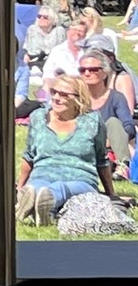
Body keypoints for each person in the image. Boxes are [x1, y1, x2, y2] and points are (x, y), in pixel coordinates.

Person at [19, 74, 112, 225]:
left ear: (78, 98)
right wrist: (20, 188)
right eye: (53, 92)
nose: (56, 98)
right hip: (42, 175)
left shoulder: (92, 121)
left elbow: (102, 159)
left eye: (63, 94)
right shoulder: (38, 117)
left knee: (56, 189)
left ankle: (43, 205)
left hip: (80, 180)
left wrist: (110, 194)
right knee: (36, 187)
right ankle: (33, 205)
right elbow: (29, 156)